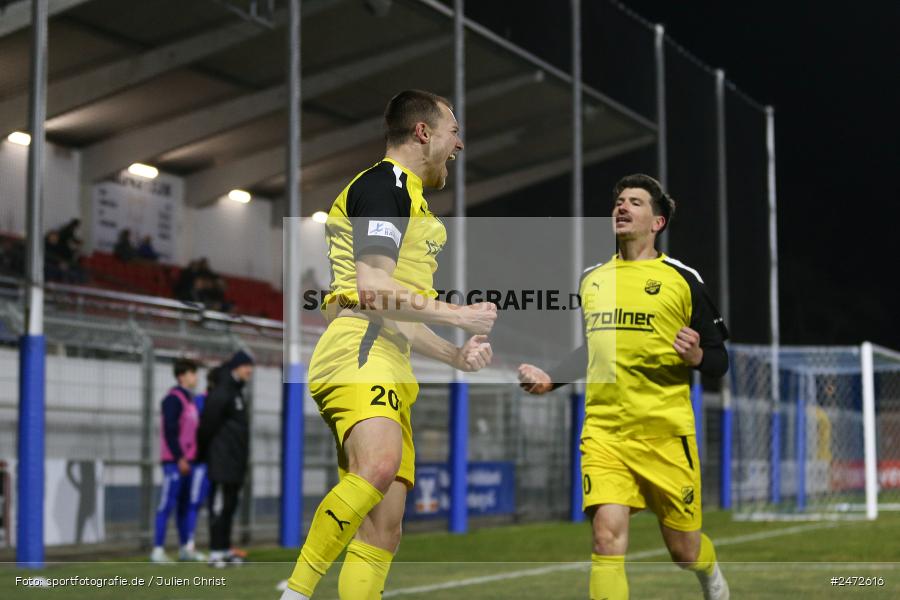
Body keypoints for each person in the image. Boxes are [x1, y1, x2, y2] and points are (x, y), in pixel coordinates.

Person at [280, 89, 497, 600]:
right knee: (375, 467)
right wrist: (459, 315)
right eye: (454, 130)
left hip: (388, 354)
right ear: (424, 132)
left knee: (384, 529)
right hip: (358, 348)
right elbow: (374, 292)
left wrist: (454, 354)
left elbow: (398, 314)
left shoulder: (413, 200)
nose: (460, 144)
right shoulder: (385, 185)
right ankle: (295, 592)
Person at [518, 174, 731, 600]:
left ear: (657, 222)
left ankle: (710, 575)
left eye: (635, 202)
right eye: (619, 200)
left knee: (684, 551)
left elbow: (719, 360)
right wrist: (550, 380)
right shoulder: (592, 279)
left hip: (665, 436)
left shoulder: (683, 279)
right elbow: (595, 351)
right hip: (605, 434)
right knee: (605, 540)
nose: (622, 207)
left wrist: (696, 358)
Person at [197, 350, 255, 568]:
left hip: (235, 462)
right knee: (219, 507)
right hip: (221, 461)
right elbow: (207, 425)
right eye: (247, 366)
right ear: (236, 367)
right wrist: (203, 454)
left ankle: (224, 549)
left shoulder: (236, 391)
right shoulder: (223, 391)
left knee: (229, 507)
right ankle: (215, 552)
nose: (250, 370)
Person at [150, 358, 207, 563]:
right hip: (175, 462)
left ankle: (185, 548)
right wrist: (179, 457)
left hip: (188, 462)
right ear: (182, 376)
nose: (196, 378)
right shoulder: (173, 399)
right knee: (166, 505)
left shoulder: (189, 400)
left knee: (184, 506)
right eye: (193, 373)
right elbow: (170, 431)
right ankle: (157, 549)